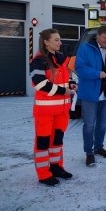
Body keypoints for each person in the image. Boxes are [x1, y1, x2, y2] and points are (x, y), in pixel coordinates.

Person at [30, 29, 77, 186]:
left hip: (62, 111)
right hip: (45, 112)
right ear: (46, 42)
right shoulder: (38, 61)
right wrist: (65, 91)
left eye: (59, 39)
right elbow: (40, 84)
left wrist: (71, 83)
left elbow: (67, 76)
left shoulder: (61, 58)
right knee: (43, 143)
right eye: (56, 40)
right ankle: (44, 174)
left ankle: (56, 168)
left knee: (57, 142)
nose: (60, 42)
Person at [75, 25, 106, 166]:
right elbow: (79, 67)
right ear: (98, 36)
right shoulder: (86, 48)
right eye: (105, 38)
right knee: (89, 125)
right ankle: (89, 152)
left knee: (102, 125)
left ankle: (99, 147)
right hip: (90, 94)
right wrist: (97, 74)